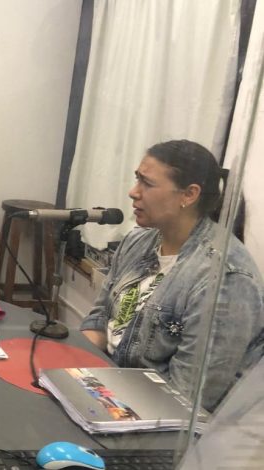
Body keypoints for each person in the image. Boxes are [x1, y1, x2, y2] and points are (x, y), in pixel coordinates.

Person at [80, 139, 264, 411]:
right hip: (106, 387)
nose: (133, 192)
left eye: (147, 183)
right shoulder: (137, 241)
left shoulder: (226, 280)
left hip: (152, 415)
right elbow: (99, 320)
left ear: (188, 195)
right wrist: (70, 367)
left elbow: (185, 401)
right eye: (137, 179)